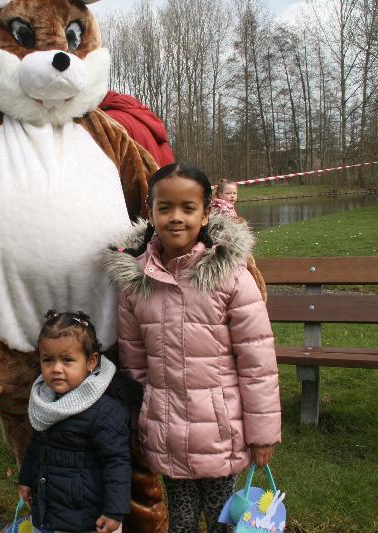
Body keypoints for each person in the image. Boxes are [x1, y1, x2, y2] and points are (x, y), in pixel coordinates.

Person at [103, 163, 281, 533]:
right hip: (166, 430)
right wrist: (142, 419)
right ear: (150, 212)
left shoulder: (230, 275)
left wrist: (262, 433)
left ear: (205, 213)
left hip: (221, 430)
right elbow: (134, 362)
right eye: (165, 207)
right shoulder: (135, 280)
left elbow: (257, 361)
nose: (176, 218)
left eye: (188, 208)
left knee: (222, 522)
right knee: (181, 521)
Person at [18, 311, 140, 533]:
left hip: (89, 519)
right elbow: (37, 446)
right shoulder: (45, 402)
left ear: (91, 361)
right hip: (49, 511)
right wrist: (27, 479)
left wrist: (114, 511)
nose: (56, 368)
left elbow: (116, 463)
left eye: (67, 360)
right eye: (48, 360)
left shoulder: (104, 410)